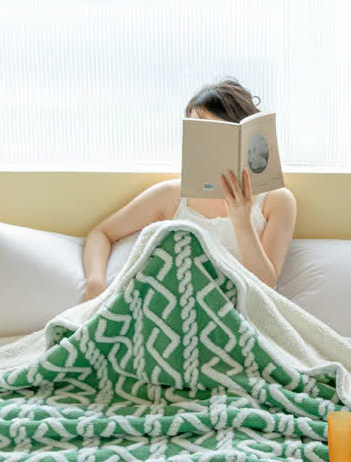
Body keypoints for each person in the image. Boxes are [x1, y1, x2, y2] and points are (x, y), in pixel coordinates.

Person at [82, 78, 296, 299]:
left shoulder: (277, 201)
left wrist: (242, 222)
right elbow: (101, 233)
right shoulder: (172, 195)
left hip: (237, 313)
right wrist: (95, 283)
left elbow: (266, 287)